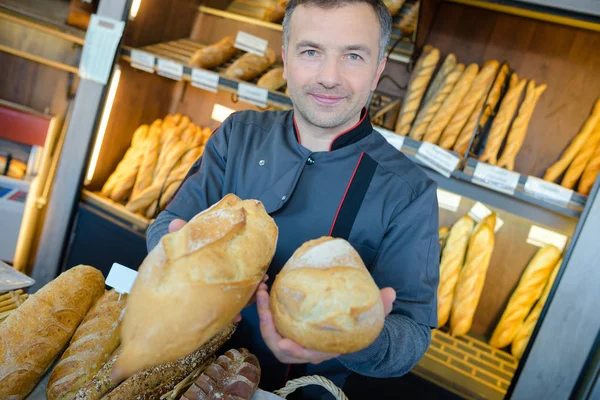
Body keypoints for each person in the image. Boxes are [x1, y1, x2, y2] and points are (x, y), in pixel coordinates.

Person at [146, 0, 440, 397]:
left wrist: (356, 338)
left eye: (353, 55)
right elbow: (169, 223)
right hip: (179, 374)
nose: (329, 77)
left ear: (379, 69)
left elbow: (412, 334)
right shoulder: (238, 133)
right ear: (285, 58)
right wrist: (178, 254)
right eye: (310, 51)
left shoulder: (408, 191)